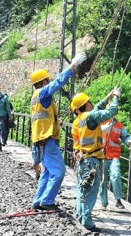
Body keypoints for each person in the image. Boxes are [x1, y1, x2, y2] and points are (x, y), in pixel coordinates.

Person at [30, 52, 87, 211]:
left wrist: (57, 123)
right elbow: (58, 82)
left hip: (41, 139)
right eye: (47, 80)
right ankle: (47, 201)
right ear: (43, 81)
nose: (49, 81)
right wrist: (72, 66)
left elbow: (43, 118)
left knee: (47, 171)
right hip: (47, 139)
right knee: (59, 170)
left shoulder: (36, 97)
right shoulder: (42, 93)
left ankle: (38, 200)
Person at [71, 88, 120, 232]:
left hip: (84, 159)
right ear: (86, 104)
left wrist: (108, 96)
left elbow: (98, 107)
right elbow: (110, 112)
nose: (92, 103)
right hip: (93, 160)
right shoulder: (90, 117)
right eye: (89, 102)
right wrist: (116, 97)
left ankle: (81, 216)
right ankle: (87, 222)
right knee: (92, 190)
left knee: (82, 188)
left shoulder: (81, 118)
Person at [99, 118, 131, 210]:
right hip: (101, 155)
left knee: (116, 175)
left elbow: (126, 136)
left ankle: (118, 200)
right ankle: (104, 203)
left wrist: (129, 142)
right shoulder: (100, 121)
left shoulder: (119, 125)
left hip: (114, 155)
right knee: (103, 179)